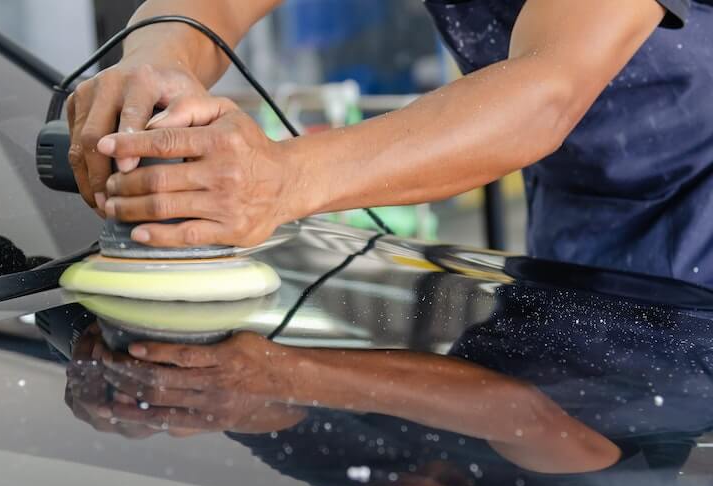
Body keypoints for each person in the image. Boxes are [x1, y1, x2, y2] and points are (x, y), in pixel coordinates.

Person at [67, 0, 713, 286]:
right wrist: (150, 66)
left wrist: (280, 179)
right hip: (578, 217)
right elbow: (208, 8)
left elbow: (547, 88)